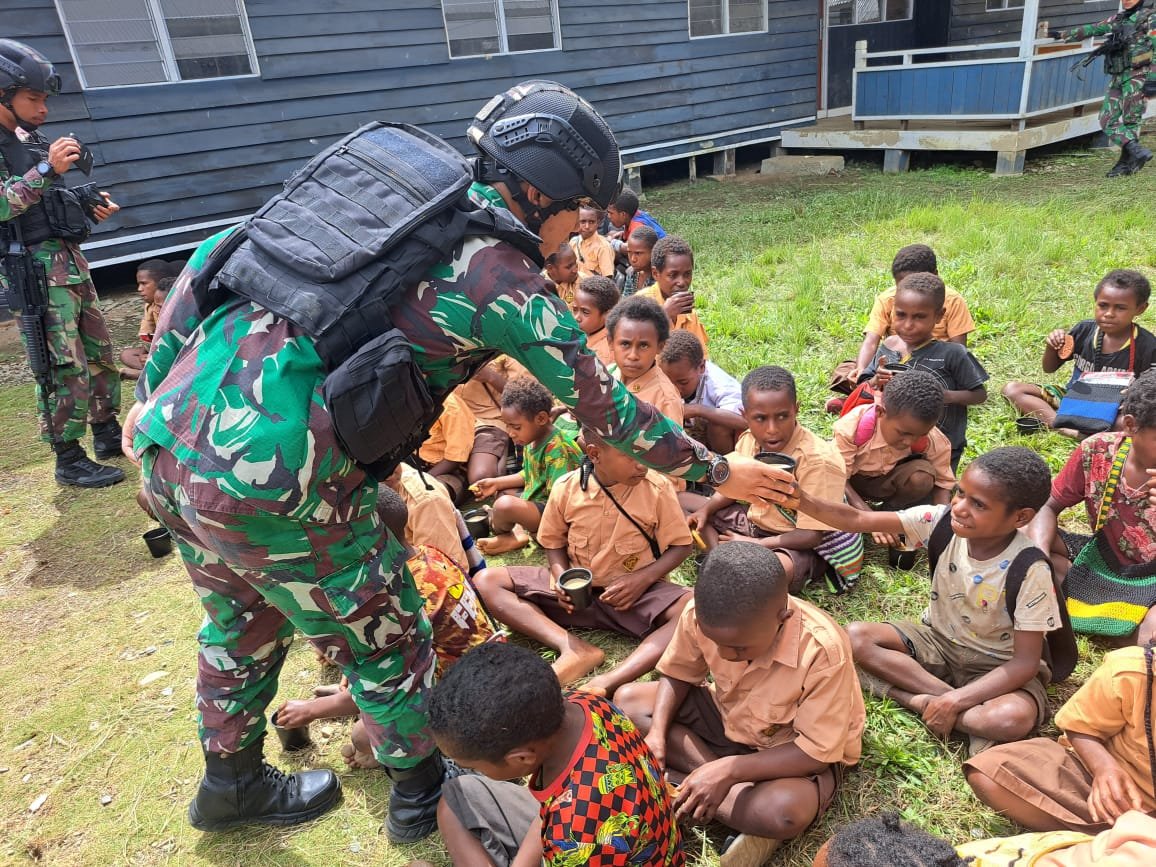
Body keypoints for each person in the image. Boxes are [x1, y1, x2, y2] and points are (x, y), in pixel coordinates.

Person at [125, 79, 779, 838]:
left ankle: (230, 781)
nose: (575, 232)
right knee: (389, 625)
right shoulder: (497, 272)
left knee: (239, 614)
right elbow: (604, 405)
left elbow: (212, 261)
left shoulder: (374, 196)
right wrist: (718, 471)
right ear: (536, 193)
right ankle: (417, 791)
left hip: (175, 450)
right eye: (574, 213)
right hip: (282, 480)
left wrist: (148, 405)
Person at [792, 446, 1062, 756]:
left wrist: (956, 701)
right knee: (854, 637)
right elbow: (855, 518)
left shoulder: (1030, 569)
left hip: (997, 667)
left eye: (978, 504)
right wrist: (802, 500)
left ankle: (911, 697)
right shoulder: (940, 522)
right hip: (938, 641)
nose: (959, 507)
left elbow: (1025, 663)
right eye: (960, 493)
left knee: (1012, 719)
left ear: (1021, 517)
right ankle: (943, 705)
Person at [616, 542, 865, 867]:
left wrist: (730, 770)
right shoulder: (700, 613)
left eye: (737, 647)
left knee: (785, 812)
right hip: (729, 719)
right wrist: (658, 734)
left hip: (790, 754)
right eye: (714, 641)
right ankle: (718, 795)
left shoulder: (822, 650)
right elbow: (678, 673)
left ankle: (680, 786)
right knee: (629, 703)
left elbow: (816, 753)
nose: (722, 655)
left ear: (782, 617)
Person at [275, 487, 501, 770]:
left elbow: (392, 681)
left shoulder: (403, 596)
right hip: (484, 667)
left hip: (469, 702)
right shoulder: (428, 554)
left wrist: (312, 711)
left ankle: (386, 750)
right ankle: (353, 704)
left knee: (361, 736)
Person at [475, 426, 693, 695]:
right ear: (594, 454)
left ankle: (609, 680)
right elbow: (553, 542)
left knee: (694, 607)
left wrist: (642, 579)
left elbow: (682, 546)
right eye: (630, 456)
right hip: (578, 598)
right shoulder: (566, 488)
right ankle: (574, 648)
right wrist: (558, 577)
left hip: (633, 597)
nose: (641, 465)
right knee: (486, 581)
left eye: (644, 454)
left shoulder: (657, 488)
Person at [428, 642, 683, 867]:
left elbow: (569, 823)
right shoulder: (585, 704)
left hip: (590, 842)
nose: (478, 773)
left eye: (479, 767)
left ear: (522, 758)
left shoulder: (574, 834)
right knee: (455, 797)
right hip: (606, 832)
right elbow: (548, 809)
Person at [0, 39, 124, 488]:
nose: (43, 108)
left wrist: (86, 203)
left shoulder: (28, 142)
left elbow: (44, 201)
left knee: (98, 353)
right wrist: (46, 172)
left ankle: (107, 431)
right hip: (34, 273)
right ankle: (68, 457)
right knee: (60, 364)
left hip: (68, 263)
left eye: (44, 99)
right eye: (33, 99)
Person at [685, 366, 860, 594]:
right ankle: (719, 556)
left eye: (782, 416)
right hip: (755, 522)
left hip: (795, 543)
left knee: (767, 576)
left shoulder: (818, 461)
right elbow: (733, 486)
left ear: (796, 410)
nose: (772, 429)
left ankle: (730, 560)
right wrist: (706, 511)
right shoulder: (749, 440)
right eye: (760, 418)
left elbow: (811, 536)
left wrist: (757, 545)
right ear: (744, 415)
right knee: (681, 501)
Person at [965, 642, 1156, 835]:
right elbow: (1080, 728)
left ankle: (1135, 839)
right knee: (989, 774)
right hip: (1109, 786)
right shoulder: (1130, 672)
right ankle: (1106, 835)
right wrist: (1104, 768)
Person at [1025, 368, 1156, 642]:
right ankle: (1114, 616)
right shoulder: (1097, 451)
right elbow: (1047, 507)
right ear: (1130, 426)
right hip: (1103, 560)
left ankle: (1106, 614)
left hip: (1152, 579)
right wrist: (1038, 557)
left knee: (1151, 636)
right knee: (1019, 536)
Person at [856, 272, 989, 469]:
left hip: (939, 446)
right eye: (901, 315)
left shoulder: (952, 354)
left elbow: (979, 394)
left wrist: (943, 396)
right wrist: (877, 380)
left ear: (939, 316)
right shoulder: (889, 345)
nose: (908, 325)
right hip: (892, 445)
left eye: (919, 317)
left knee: (926, 483)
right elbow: (863, 385)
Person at [1003, 269, 1155, 435]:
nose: (1109, 314)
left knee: (1131, 422)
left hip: (1113, 409)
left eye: (1120, 308)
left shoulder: (1147, 346)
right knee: (1013, 390)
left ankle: (1067, 425)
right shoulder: (1084, 330)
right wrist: (1051, 346)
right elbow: (1049, 368)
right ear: (1095, 301)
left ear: (1140, 309)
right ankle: (1062, 426)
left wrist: (1131, 395)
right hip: (1072, 400)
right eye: (1103, 305)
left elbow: (1148, 393)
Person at [472, 378, 583, 556]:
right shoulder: (531, 439)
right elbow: (531, 474)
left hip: (557, 514)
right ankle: (517, 533)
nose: (510, 432)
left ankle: (517, 534)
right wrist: (497, 483)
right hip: (539, 502)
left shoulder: (557, 449)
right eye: (507, 425)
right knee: (503, 494)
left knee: (504, 505)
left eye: (516, 426)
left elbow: (560, 503)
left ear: (541, 418)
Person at [1049, 0, 1156, 177]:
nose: (1127, 0)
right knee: (1106, 118)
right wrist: (1061, 35)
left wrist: (1152, 81)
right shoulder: (1119, 19)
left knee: (1131, 119)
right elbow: (1093, 29)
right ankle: (1137, 152)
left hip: (1138, 75)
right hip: (1119, 75)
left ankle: (1125, 165)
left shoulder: (1150, 18)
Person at [833, 369, 955, 511]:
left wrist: (941, 521)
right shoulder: (851, 428)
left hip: (888, 483)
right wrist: (868, 517)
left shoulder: (933, 438)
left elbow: (943, 484)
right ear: (880, 412)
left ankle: (890, 510)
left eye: (920, 434)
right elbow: (838, 476)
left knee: (922, 477)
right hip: (851, 481)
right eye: (903, 433)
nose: (909, 442)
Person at [658, 330, 745, 455]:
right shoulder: (657, 376)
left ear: (702, 367)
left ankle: (724, 466)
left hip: (721, 446)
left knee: (719, 426)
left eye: (683, 382)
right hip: (691, 443)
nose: (675, 389)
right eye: (668, 382)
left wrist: (698, 410)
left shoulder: (719, 384)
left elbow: (744, 421)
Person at [607, 295, 685, 424]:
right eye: (625, 344)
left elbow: (672, 443)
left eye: (643, 345)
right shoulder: (607, 374)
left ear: (660, 347)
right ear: (610, 342)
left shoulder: (665, 399)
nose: (633, 355)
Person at [455, 354, 530, 485]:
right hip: (451, 425)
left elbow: (527, 397)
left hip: (489, 423)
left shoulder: (506, 352)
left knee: (481, 478)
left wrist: (491, 377)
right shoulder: (442, 351)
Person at [637, 235, 710, 354]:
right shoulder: (639, 304)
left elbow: (700, 357)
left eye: (687, 274)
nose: (682, 282)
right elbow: (634, 352)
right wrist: (663, 315)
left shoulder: (689, 312)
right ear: (655, 273)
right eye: (673, 275)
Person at [415, 390, 475, 504]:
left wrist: (422, 480)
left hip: (450, 471)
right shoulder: (404, 404)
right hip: (419, 465)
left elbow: (455, 459)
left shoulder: (449, 406)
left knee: (430, 494)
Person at [118, 259, 172, 380]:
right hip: (158, 352)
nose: (139, 289)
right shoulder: (149, 306)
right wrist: (145, 353)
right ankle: (153, 370)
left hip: (173, 353)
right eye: (138, 284)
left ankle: (148, 374)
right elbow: (150, 336)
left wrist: (155, 356)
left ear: (160, 284)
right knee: (126, 355)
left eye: (144, 283)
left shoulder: (172, 305)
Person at [570, 274, 619, 368]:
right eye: (575, 310)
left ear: (608, 315)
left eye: (585, 312)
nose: (577, 317)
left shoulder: (602, 355)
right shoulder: (582, 332)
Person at [569, 202, 615, 280]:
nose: (587, 226)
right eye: (583, 221)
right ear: (576, 222)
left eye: (591, 222)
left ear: (598, 223)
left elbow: (607, 280)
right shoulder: (573, 242)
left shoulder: (603, 247)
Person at [621, 224, 658, 296]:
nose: (633, 259)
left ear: (653, 251)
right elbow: (626, 301)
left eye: (638, 253)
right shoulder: (632, 273)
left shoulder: (660, 278)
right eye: (629, 252)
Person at [542, 241, 578, 307]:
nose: (575, 270)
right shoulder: (540, 289)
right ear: (550, 268)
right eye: (569, 267)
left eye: (575, 262)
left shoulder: (582, 281)